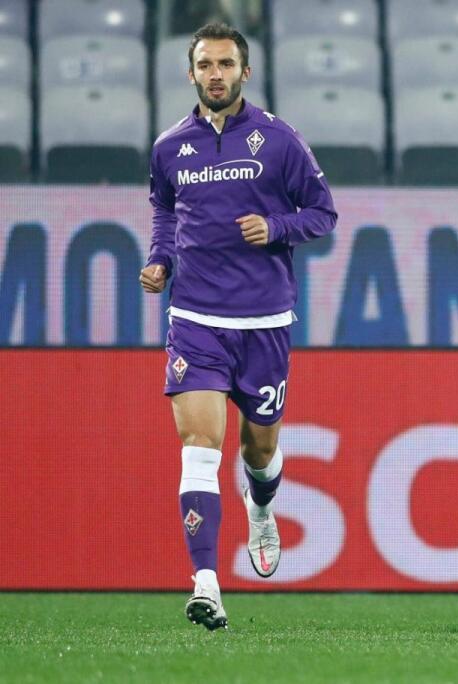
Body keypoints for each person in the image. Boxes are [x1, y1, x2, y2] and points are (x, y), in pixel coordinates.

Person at [139, 22, 337, 630]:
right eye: (206, 65)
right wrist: (159, 259)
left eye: (226, 64)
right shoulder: (170, 147)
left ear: (244, 72)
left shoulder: (279, 142)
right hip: (195, 318)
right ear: (192, 72)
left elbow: (323, 214)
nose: (216, 74)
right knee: (199, 451)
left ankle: (262, 506)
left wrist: (275, 228)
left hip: (265, 321)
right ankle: (206, 584)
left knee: (260, 450)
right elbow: (165, 212)